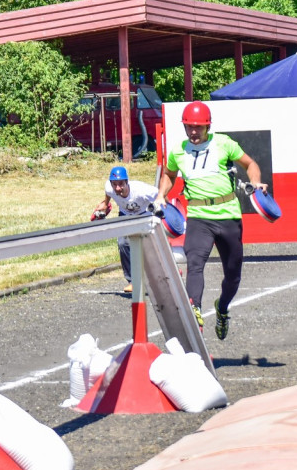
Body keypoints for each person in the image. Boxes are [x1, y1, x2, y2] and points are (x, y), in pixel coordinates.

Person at [158, 100, 266, 340]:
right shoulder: (178, 151)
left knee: (233, 275)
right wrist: (161, 194)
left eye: (198, 127)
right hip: (199, 216)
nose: (193, 131)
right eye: (189, 126)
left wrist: (256, 182)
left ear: (208, 126)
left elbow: (250, 164)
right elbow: (169, 174)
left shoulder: (224, 143)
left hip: (228, 215)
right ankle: (194, 310)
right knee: (195, 263)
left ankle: (222, 307)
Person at [91, 165, 160, 293]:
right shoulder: (109, 188)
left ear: (127, 182)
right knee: (122, 243)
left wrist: (160, 211)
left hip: (144, 215)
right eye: (115, 184)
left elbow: (161, 197)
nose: (118, 188)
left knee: (150, 247)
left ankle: (165, 271)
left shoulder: (142, 190)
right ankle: (132, 281)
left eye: (121, 184)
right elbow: (108, 196)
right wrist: (105, 204)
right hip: (125, 215)